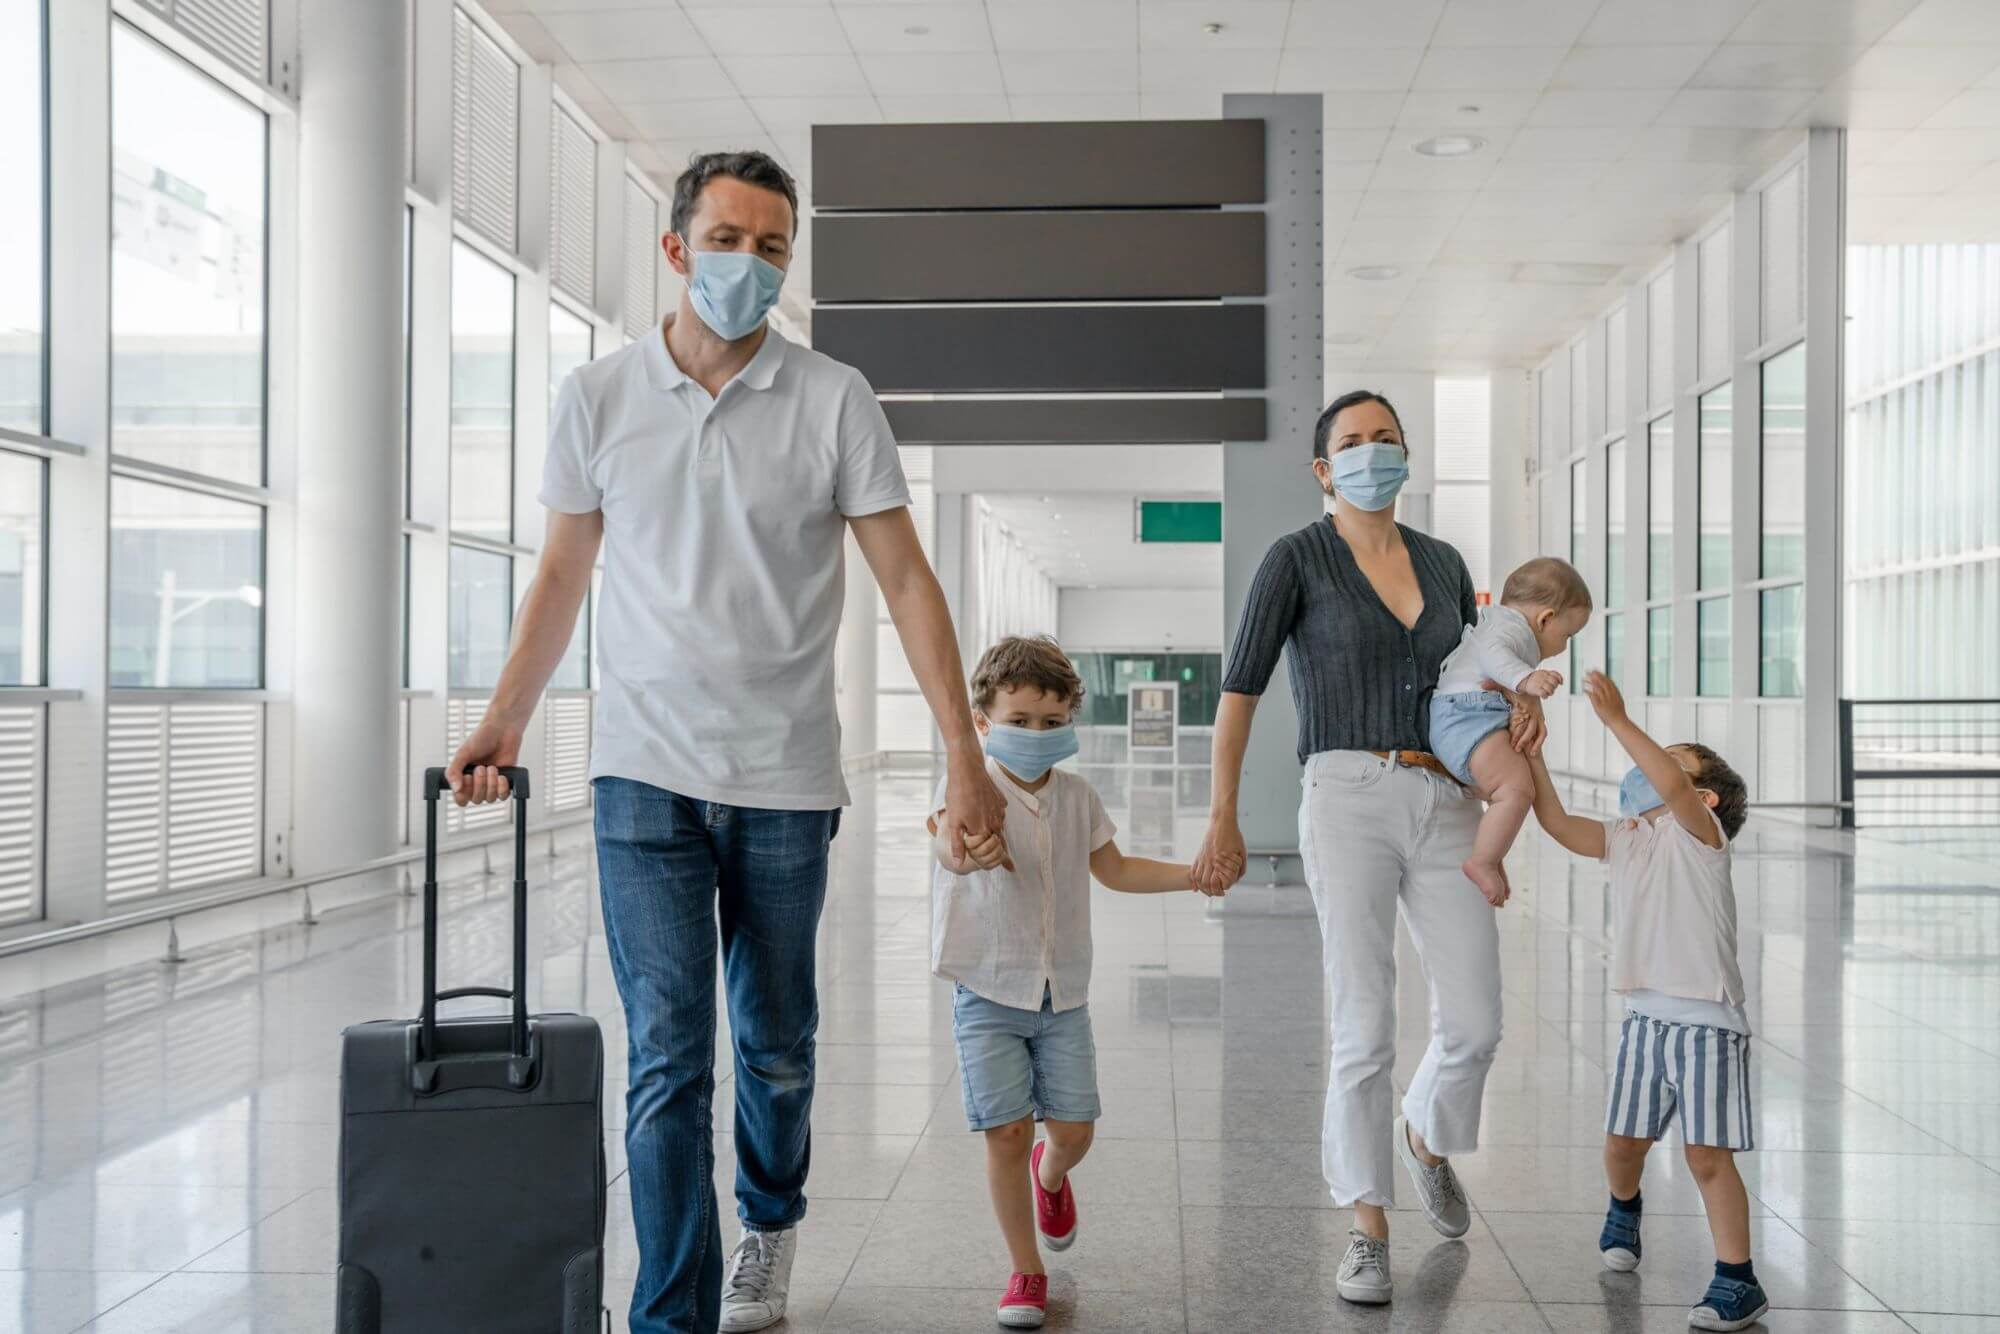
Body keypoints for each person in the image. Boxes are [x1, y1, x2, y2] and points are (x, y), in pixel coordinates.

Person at [445, 150, 1009, 1334]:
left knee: (776, 1041)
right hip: (640, 771)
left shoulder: (832, 397)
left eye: (770, 248)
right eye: (727, 239)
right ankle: (671, 1312)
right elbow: (561, 569)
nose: (747, 264)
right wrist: (504, 715)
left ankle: (769, 1215)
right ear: (673, 248)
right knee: (666, 1057)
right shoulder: (596, 398)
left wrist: (962, 750)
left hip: (786, 776)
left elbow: (904, 579)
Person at [1192, 388, 1544, 1306]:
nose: (1372, 452)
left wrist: (1517, 705)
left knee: (1475, 1022)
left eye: (1387, 439)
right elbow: (1239, 694)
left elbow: (1470, 673)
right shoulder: (1296, 557)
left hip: (1448, 794)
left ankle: (1423, 1137)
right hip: (1346, 795)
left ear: (1407, 455)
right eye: (1353, 442)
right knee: (1364, 1020)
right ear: (1324, 470)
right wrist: (1223, 812)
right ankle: (1367, 1222)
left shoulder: (1443, 558)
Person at [926, 636, 1232, 1329]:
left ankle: (1051, 1174)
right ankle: (1026, 1270)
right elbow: (947, 844)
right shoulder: (968, 788)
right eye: (1020, 721)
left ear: (1071, 724)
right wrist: (967, 851)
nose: (1037, 735)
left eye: (1053, 723)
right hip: (987, 991)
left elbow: (1115, 869)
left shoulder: (1078, 797)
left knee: (1074, 1128)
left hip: (1062, 994)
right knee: (1002, 1131)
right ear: (982, 721)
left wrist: (1192, 875)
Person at [1525, 671, 1765, 1332]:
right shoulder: (1629, 837)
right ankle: (1624, 1205)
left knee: (1705, 1156)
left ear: (1704, 796)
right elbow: (1556, 822)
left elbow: (1671, 786)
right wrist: (1534, 757)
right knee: (1622, 1143)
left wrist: (1619, 722)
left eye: (1672, 761)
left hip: (1708, 1023)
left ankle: (1737, 1281)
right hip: (1644, 1018)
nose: (1647, 768)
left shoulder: (1700, 839)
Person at [1429, 556, 1592, 906]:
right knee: (1516, 790)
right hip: (1464, 717)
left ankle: (1490, 853)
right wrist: (1526, 679)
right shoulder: (1509, 628)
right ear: (1545, 618)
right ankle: (1482, 861)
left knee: (1510, 791)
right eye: (1568, 635)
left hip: (1472, 716)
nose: (1565, 646)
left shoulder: (1501, 623)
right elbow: (1493, 655)